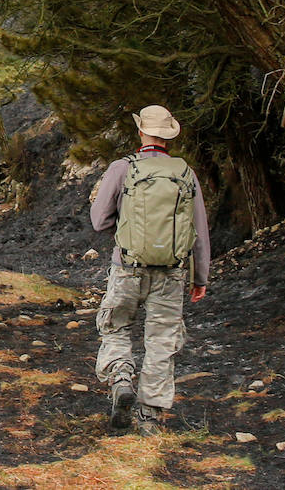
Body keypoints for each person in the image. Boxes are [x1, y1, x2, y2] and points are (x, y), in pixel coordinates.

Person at [90, 104, 210, 436]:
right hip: (172, 272)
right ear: (169, 136)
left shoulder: (121, 168)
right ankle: (149, 418)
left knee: (115, 328)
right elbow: (199, 228)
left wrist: (126, 218)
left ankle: (120, 379)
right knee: (162, 342)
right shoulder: (186, 173)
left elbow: (99, 221)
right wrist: (200, 278)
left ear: (141, 132)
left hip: (127, 267)